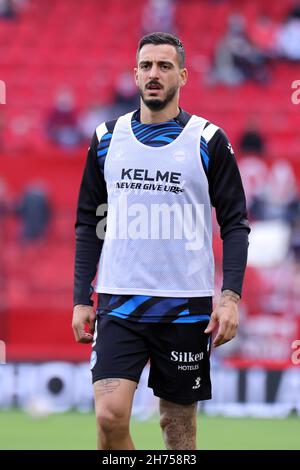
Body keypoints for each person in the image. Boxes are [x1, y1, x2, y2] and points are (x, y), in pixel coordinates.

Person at [72, 32, 250, 450]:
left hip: (184, 306)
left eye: (165, 66)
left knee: (177, 428)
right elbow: (88, 221)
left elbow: (235, 224)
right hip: (119, 303)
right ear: (135, 75)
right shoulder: (106, 139)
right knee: (110, 417)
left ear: (183, 76)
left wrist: (230, 298)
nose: (155, 74)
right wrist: (83, 296)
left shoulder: (208, 140)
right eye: (147, 66)